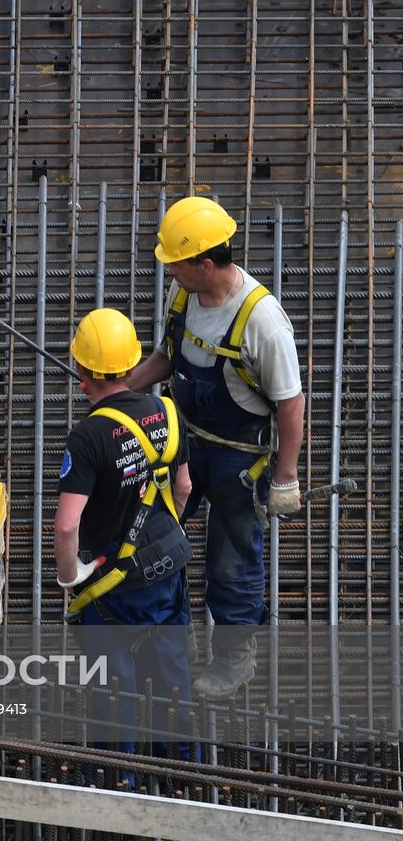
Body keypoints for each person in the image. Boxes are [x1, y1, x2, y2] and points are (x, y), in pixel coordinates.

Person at [125, 196, 304, 699]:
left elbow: (291, 404)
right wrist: (124, 391)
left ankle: (232, 660)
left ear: (206, 263)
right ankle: (156, 641)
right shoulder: (183, 299)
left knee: (231, 561)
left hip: (237, 460)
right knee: (154, 539)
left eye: (176, 263)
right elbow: (166, 356)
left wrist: (286, 479)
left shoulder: (261, 320)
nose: (169, 271)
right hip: (183, 442)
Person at [56, 308, 195, 759]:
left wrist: (69, 576)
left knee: (114, 683)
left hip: (114, 581)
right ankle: (182, 769)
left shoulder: (89, 436)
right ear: (133, 366)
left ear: (82, 371)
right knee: (172, 671)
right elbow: (184, 485)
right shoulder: (168, 412)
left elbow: (67, 525)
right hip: (167, 564)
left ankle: (119, 774)